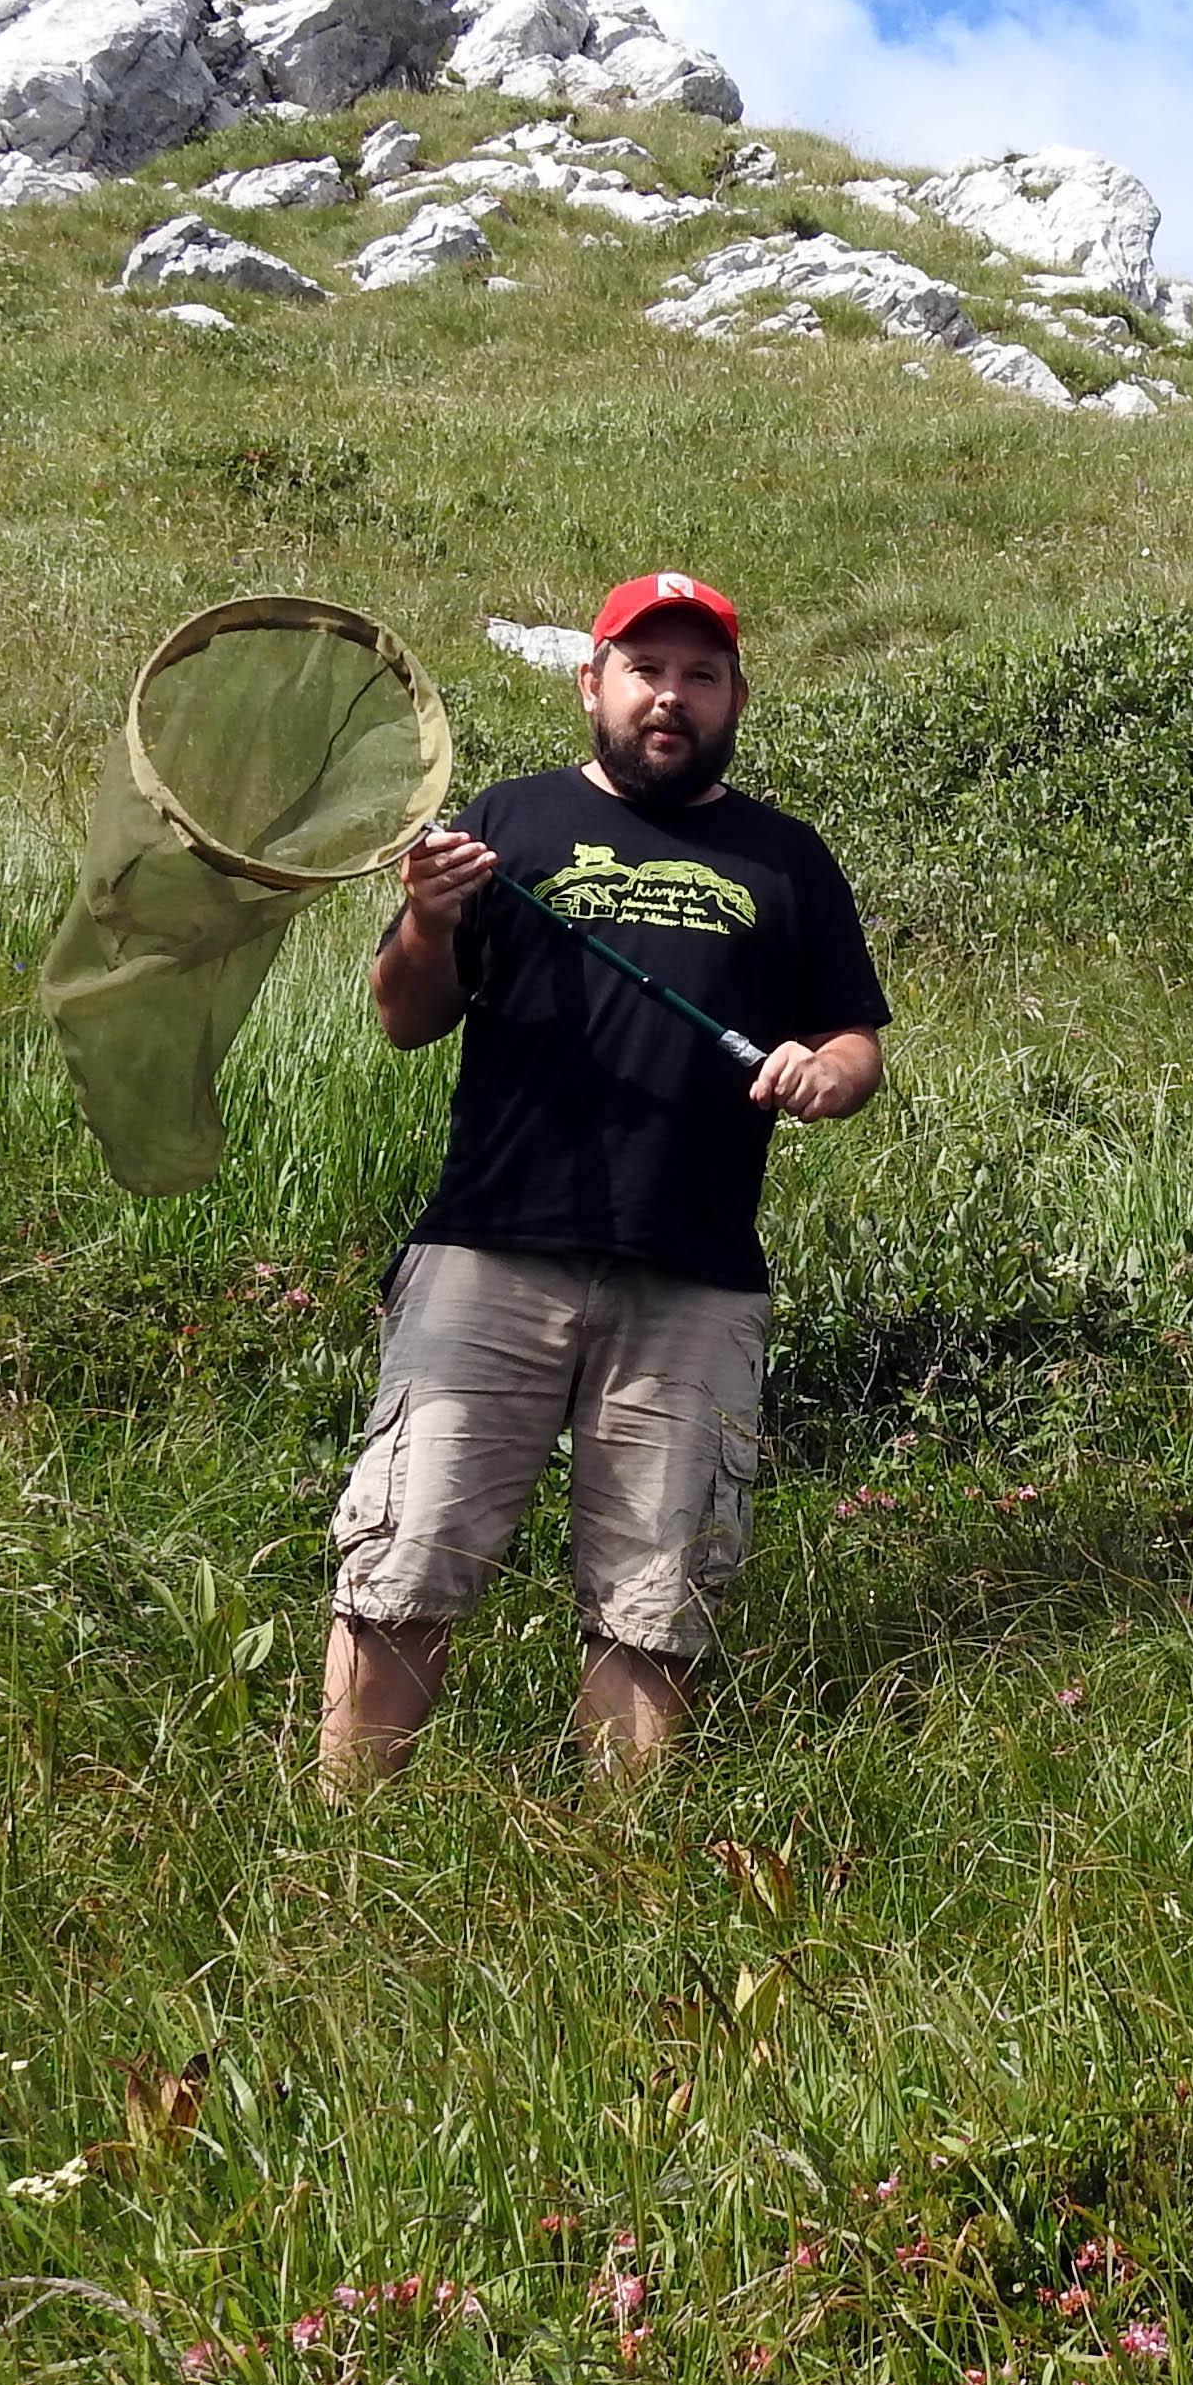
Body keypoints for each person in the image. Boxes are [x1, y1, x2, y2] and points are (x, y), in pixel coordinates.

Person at [320, 570, 890, 1787]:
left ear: (735, 697)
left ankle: (615, 1871)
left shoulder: (790, 859)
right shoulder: (507, 822)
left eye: (698, 675)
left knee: (656, 1592)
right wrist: (424, 920)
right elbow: (404, 1018)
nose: (668, 698)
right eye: (644, 671)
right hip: (489, 1251)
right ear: (594, 684)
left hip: (697, 1277)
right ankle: (342, 1846)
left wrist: (824, 1073)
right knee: (408, 1556)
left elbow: (856, 1044)